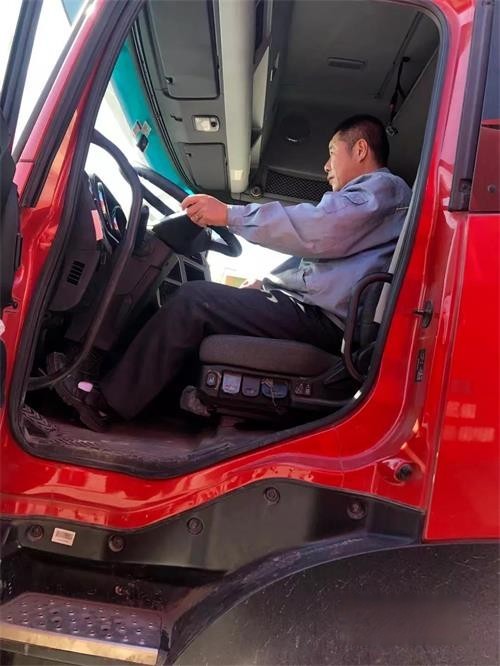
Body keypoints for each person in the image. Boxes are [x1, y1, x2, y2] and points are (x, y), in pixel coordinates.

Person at [51, 115, 411, 430]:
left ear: (360, 149)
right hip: (317, 314)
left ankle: (107, 402)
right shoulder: (368, 205)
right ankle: (159, 401)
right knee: (205, 303)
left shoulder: (383, 190)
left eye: (332, 152)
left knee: (195, 301)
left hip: (325, 323)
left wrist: (228, 214)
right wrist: (267, 285)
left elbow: (319, 230)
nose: (326, 165)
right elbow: (315, 259)